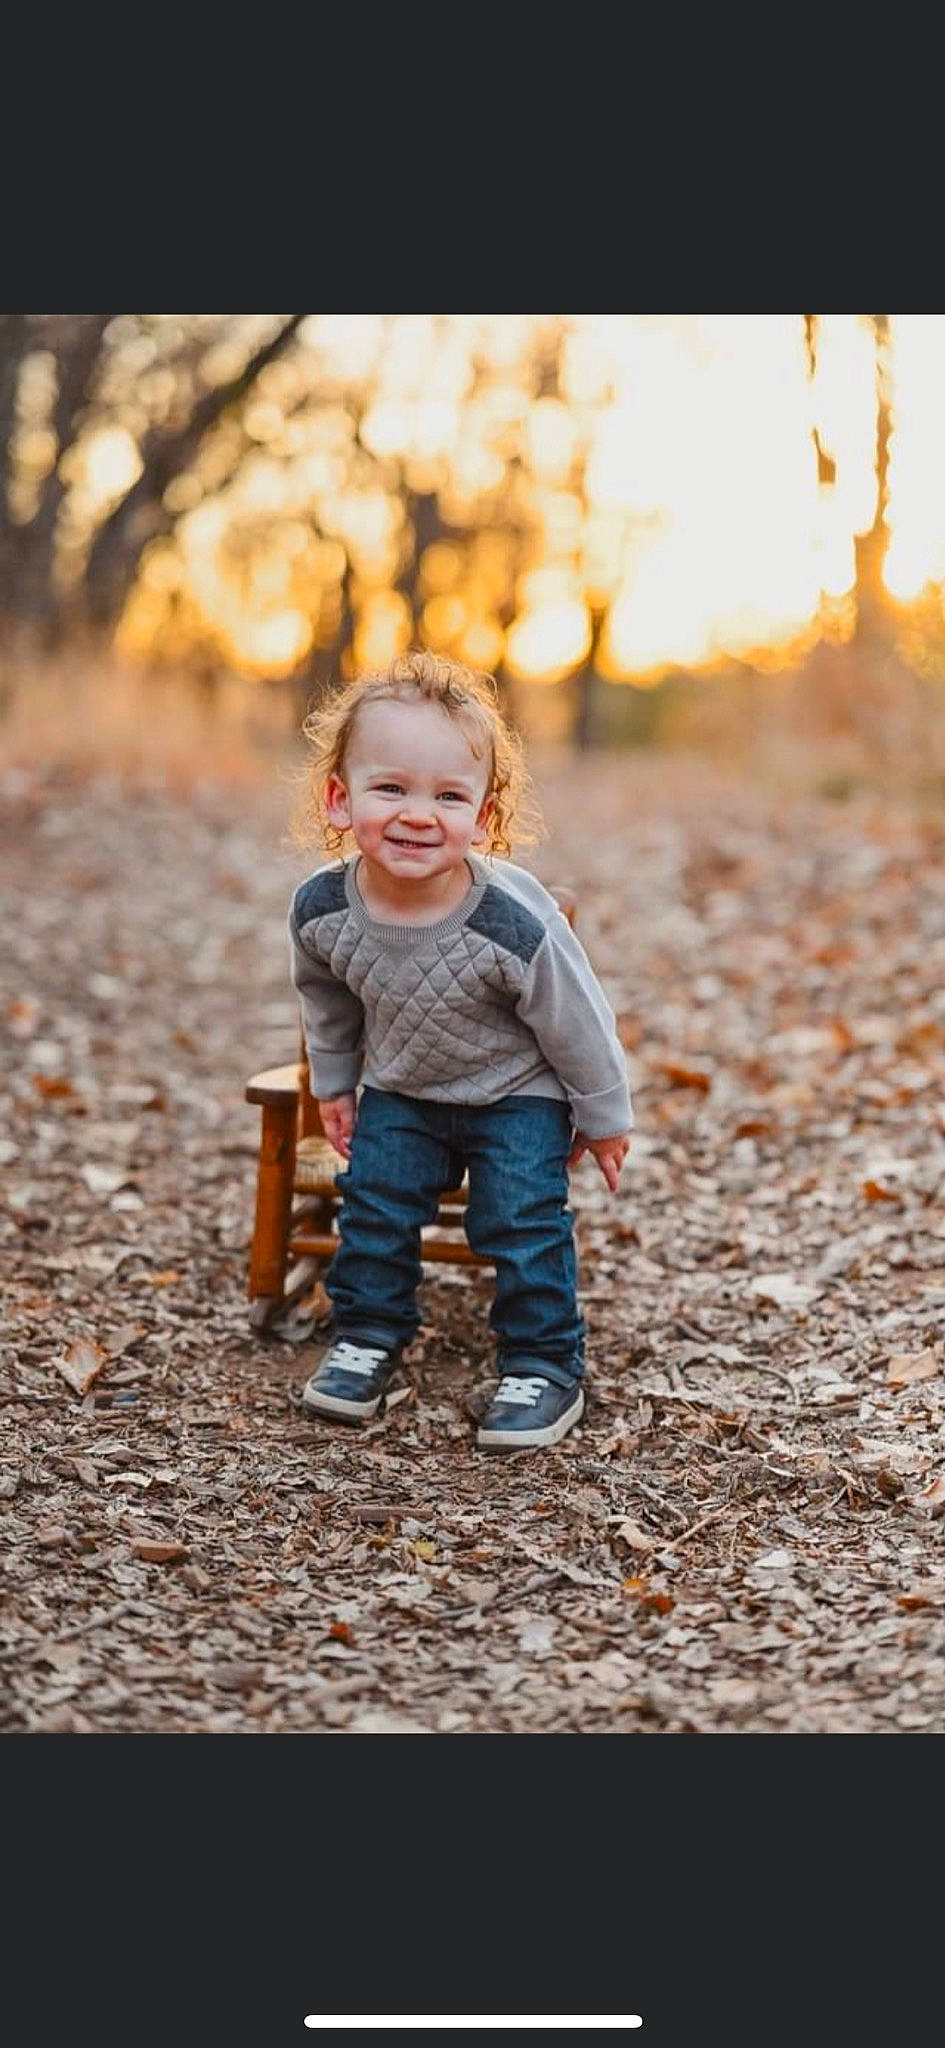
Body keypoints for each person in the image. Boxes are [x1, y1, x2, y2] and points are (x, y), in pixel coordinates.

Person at [289, 651, 632, 1451]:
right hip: (405, 1088)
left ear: (482, 818)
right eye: (390, 788)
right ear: (340, 800)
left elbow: (578, 1020)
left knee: (518, 1218)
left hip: (518, 1092)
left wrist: (604, 1115)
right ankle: (368, 1334)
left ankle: (543, 1362)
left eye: (448, 796)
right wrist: (337, 1085)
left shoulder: (507, 920)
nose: (418, 814)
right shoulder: (320, 908)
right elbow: (328, 1001)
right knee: (373, 1202)